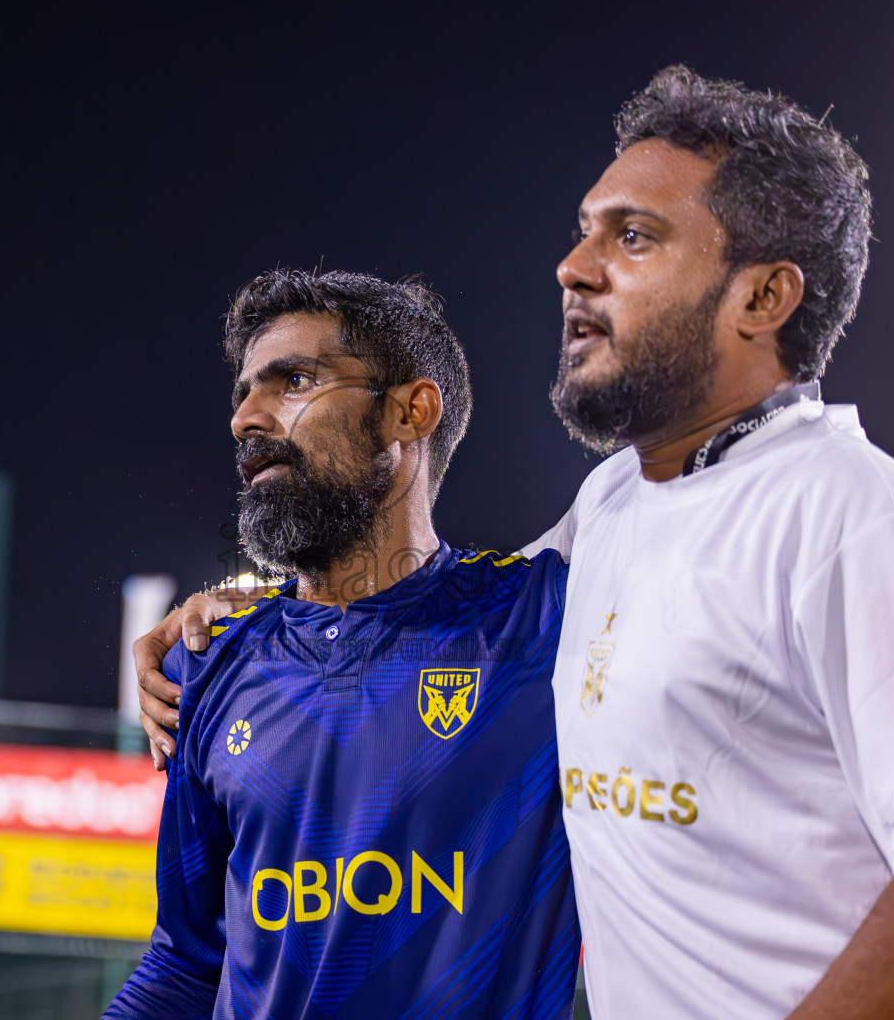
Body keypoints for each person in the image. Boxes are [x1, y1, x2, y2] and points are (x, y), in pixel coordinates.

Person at [135, 68, 894, 1018]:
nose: (574, 265)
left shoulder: (857, 518)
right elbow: (414, 594)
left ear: (764, 296)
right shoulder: (617, 505)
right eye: (586, 228)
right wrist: (241, 610)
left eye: (635, 236)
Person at [102, 270, 580, 1019]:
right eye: (243, 395)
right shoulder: (211, 661)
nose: (245, 419)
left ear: (409, 412)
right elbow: (186, 962)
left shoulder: (540, 623)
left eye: (293, 380)